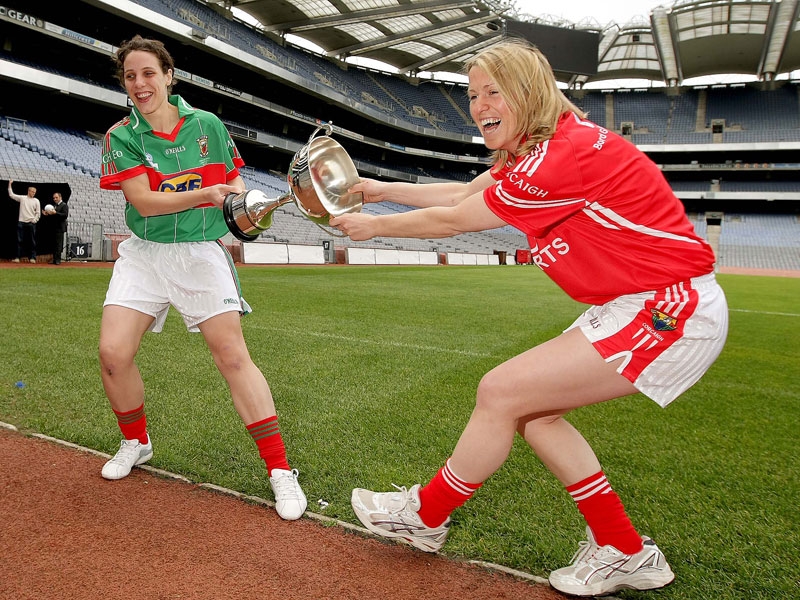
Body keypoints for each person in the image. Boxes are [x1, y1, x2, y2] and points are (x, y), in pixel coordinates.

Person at [330, 39, 728, 597]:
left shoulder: (560, 156)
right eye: (472, 94)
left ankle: (426, 514)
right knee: (535, 415)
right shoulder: (538, 151)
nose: (479, 104)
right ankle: (625, 551)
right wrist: (378, 190)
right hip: (642, 302)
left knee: (501, 392)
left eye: (494, 91)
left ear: (530, 92)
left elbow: (456, 220)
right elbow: (464, 193)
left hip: (668, 307)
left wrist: (374, 226)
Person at [97, 35, 306, 520]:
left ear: (168, 76)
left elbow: (234, 183)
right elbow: (145, 202)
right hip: (146, 254)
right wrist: (208, 192)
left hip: (197, 254)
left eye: (149, 73)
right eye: (130, 76)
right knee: (113, 353)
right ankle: (136, 442)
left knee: (232, 356)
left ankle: (280, 471)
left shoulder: (207, 125)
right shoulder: (121, 136)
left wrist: (242, 204)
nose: (140, 84)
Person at [7, 180, 41, 263]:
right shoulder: (22, 198)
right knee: (19, 241)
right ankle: (17, 258)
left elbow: (38, 213)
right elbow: (11, 195)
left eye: (34, 192)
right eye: (32, 191)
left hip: (31, 223)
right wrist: (9, 184)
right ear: (28, 191)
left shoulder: (36, 201)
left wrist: (34, 220)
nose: (33, 193)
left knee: (32, 241)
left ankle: (32, 258)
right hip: (21, 222)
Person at [42, 191, 69, 264]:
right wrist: (47, 214)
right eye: (54, 198)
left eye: (56, 197)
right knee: (54, 244)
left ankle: (58, 260)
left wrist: (56, 213)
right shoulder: (54, 206)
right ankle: (54, 259)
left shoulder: (64, 205)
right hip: (54, 227)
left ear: (60, 197)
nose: (55, 199)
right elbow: (53, 216)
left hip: (60, 228)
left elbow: (65, 215)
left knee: (58, 244)